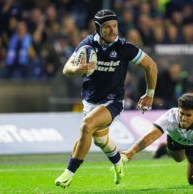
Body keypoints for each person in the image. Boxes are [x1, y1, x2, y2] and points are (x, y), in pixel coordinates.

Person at [55, 9, 158, 188]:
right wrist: (77, 70)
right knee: (100, 139)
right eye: (107, 27)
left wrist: (149, 95)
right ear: (97, 28)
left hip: (113, 101)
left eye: (115, 26)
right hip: (90, 100)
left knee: (86, 126)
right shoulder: (87, 44)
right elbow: (67, 68)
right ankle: (118, 162)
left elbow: (151, 66)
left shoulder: (125, 47)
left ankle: (68, 173)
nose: (113, 31)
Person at [122, 93, 193, 185]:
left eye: (188, 115)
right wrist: (131, 151)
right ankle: (166, 149)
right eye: (181, 113)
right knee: (178, 159)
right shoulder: (170, 116)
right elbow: (151, 136)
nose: (183, 118)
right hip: (175, 140)